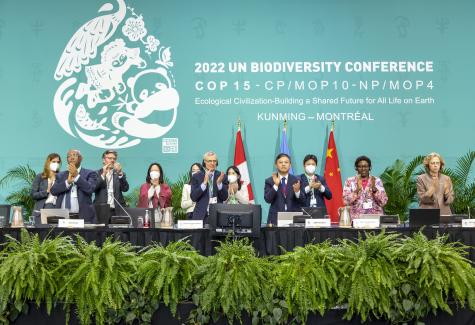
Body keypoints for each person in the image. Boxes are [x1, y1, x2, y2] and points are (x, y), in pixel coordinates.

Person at [50, 149, 98, 222]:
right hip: (63, 216)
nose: (71, 158)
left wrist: (76, 176)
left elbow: (90, 189)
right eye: (69, 156)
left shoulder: (90, 173)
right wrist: (67, 182)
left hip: (82, 216)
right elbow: (53, 191)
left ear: (80, 158)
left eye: (74, 155)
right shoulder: (60, 175)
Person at [264, 153, 305, 225]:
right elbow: (268, 199)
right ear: (276, 165)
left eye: (286, 162)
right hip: (275, 218)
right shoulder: (269, 180)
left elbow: (303, 200)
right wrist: (276, 185)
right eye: (280, 162)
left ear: (290, 165)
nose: (283, 164)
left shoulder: (297, 180)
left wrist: (297, 191)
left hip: (293, 218)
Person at [343, 155, 388, 219]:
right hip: (356, 218)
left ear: (370, 167)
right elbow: (345, 201)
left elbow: (383, 201)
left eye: (365, 166)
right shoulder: (350, 181)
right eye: (360, 167)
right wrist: (357, 190)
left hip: (374, 218)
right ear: (356, 168)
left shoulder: (377, 180)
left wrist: (374, 189)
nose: (363, 169)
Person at [190, 151, 228, 221]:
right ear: (205, 162)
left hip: (217, 215)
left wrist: (219, 184)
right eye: (210, 161)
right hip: (200, 216)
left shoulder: (222, 176)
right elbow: (193, 197)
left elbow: (224, 197)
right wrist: (204, 183)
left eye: (214, 161)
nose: (212, 163)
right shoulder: (197, 176)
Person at [94, 149, 129, 215]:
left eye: (114, 159)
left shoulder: (119, 174)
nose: (112, 160)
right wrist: (103, 175)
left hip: (116, 210)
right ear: (103, 160)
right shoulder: (96, 173)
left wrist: (120, 174)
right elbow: (93, 188)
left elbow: (125, 189)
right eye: (109, 158)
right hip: (101, 210)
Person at [31, 153, 62, 221]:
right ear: (48, 163)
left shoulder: (61, 177)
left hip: (57, 210)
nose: (56, 164)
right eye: (53, 161)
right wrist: (47, 191)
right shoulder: (40, 176)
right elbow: (33, 194)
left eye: (58, 162)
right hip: (42, 208)